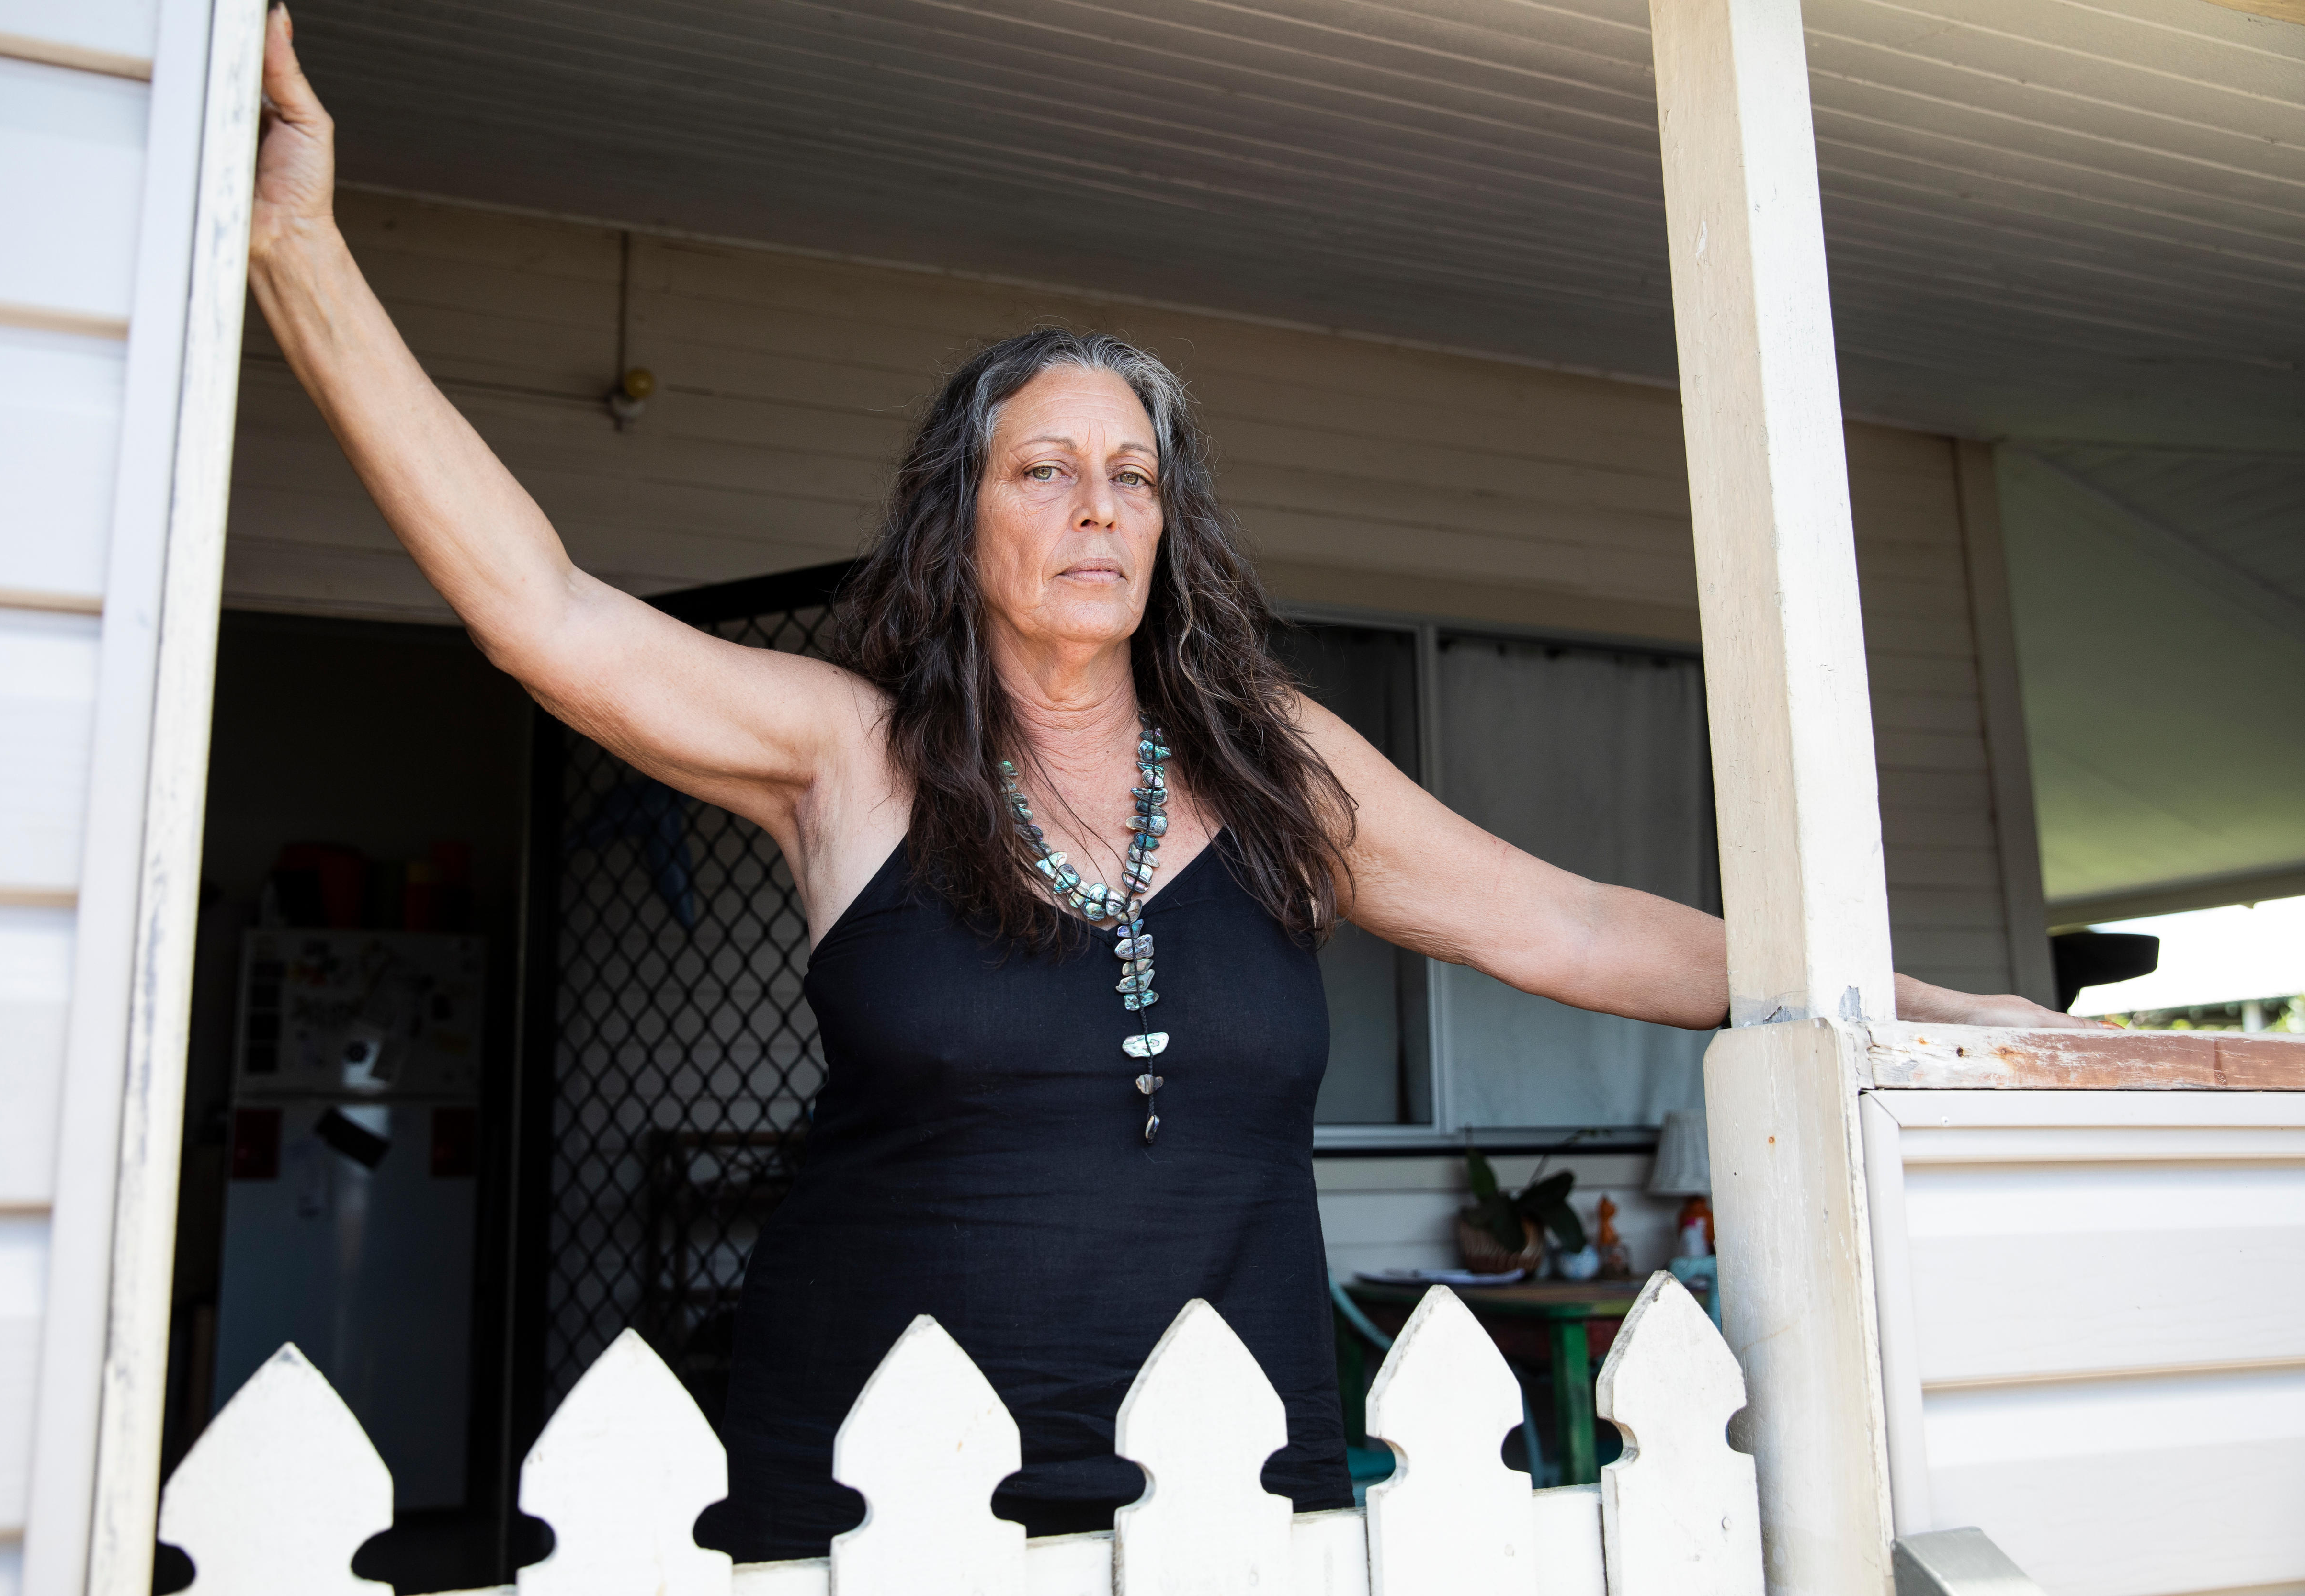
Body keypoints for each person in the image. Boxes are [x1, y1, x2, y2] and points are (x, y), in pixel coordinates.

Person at [246, 9, 2099, 1559]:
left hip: (1238, 1476)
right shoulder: (848, 754)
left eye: (1131, 476)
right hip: (886, 1489)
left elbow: (1576, 923)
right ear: (958, 523)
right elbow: (541, 611)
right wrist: (298, 252)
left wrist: (1913, 1003)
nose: (1096, 508)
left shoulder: (1269, 759)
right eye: (1042, 470)